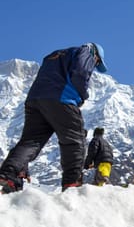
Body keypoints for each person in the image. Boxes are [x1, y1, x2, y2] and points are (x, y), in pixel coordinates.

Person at [0, 43, 107, 193]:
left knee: (31, 141)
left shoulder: (54, 55)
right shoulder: (86, 52)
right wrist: (82, 96)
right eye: (97, 63)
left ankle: (8, 173)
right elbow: (81, 72)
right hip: (62, 99)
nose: (95, 66)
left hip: (34, 100)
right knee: (74, 141)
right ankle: (72, 184)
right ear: (95, 55)